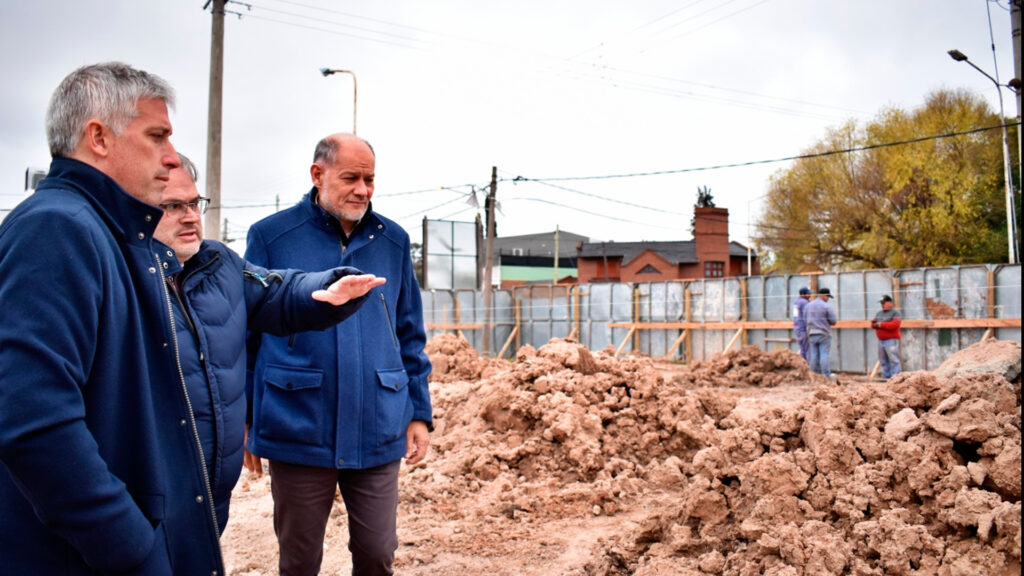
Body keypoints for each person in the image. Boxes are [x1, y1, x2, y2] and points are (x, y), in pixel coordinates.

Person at [0, 62, 377, 576]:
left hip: (180, 513)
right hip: (107, 546)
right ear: (98, 138)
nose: (171, 155)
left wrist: (326, 288)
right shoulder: (58, 231)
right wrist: (134, 545)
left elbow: (271, 288)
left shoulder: (148, 246)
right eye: (157, 136)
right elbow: (33, 422)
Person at [153, 152, 386, 534]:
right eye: (172, 206)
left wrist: (326, 287)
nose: (192, 216)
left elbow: (277, 289)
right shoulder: (120, 276)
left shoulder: (217, 263)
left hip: (206, 488)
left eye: (194, 203)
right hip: (154, 480)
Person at [244, 132, 433, 576]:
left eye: (370, 179)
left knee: (377, 553)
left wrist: (419, 412)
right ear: (318, 174)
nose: (363, 190)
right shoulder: (271, 237)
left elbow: (409, 332)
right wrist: (246, 416)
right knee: (299, 559)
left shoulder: (394, 241)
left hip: (378, 423)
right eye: (351, 178)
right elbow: (248, 331)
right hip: (298, 422)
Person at [805, 287, 838, 378]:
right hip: (823, 333)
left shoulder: (808, 306)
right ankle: (825, 375)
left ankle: (814, 375)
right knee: (824, 354)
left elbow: (805, 318)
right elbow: (833, 321)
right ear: (823, 296)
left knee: (814, 355)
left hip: (812, 333)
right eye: (827, 297)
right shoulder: (826, 306)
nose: (828, 299)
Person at [871, 294, 902, 378]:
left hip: (891, 339)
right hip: (881, 340)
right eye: (881, 303)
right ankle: (886, 376)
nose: (882, 305)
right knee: (883, 359)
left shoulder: (895, 313)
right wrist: (875, 324)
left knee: (893, 359)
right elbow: (873, 324)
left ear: (890, 303)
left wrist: (881, 325)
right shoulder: (879, 313)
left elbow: (895, 325)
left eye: (883, 303)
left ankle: (896, 377)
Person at [792, 286, 812, 361]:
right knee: (808, 350)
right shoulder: (804, 302)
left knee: (802, 349)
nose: (810, 295)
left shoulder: (797, 302)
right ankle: (809, 368)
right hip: (803, 328)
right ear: (803, 294)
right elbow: (807, 315)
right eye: (808, 293)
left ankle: (802, 367)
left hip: (797, 328)